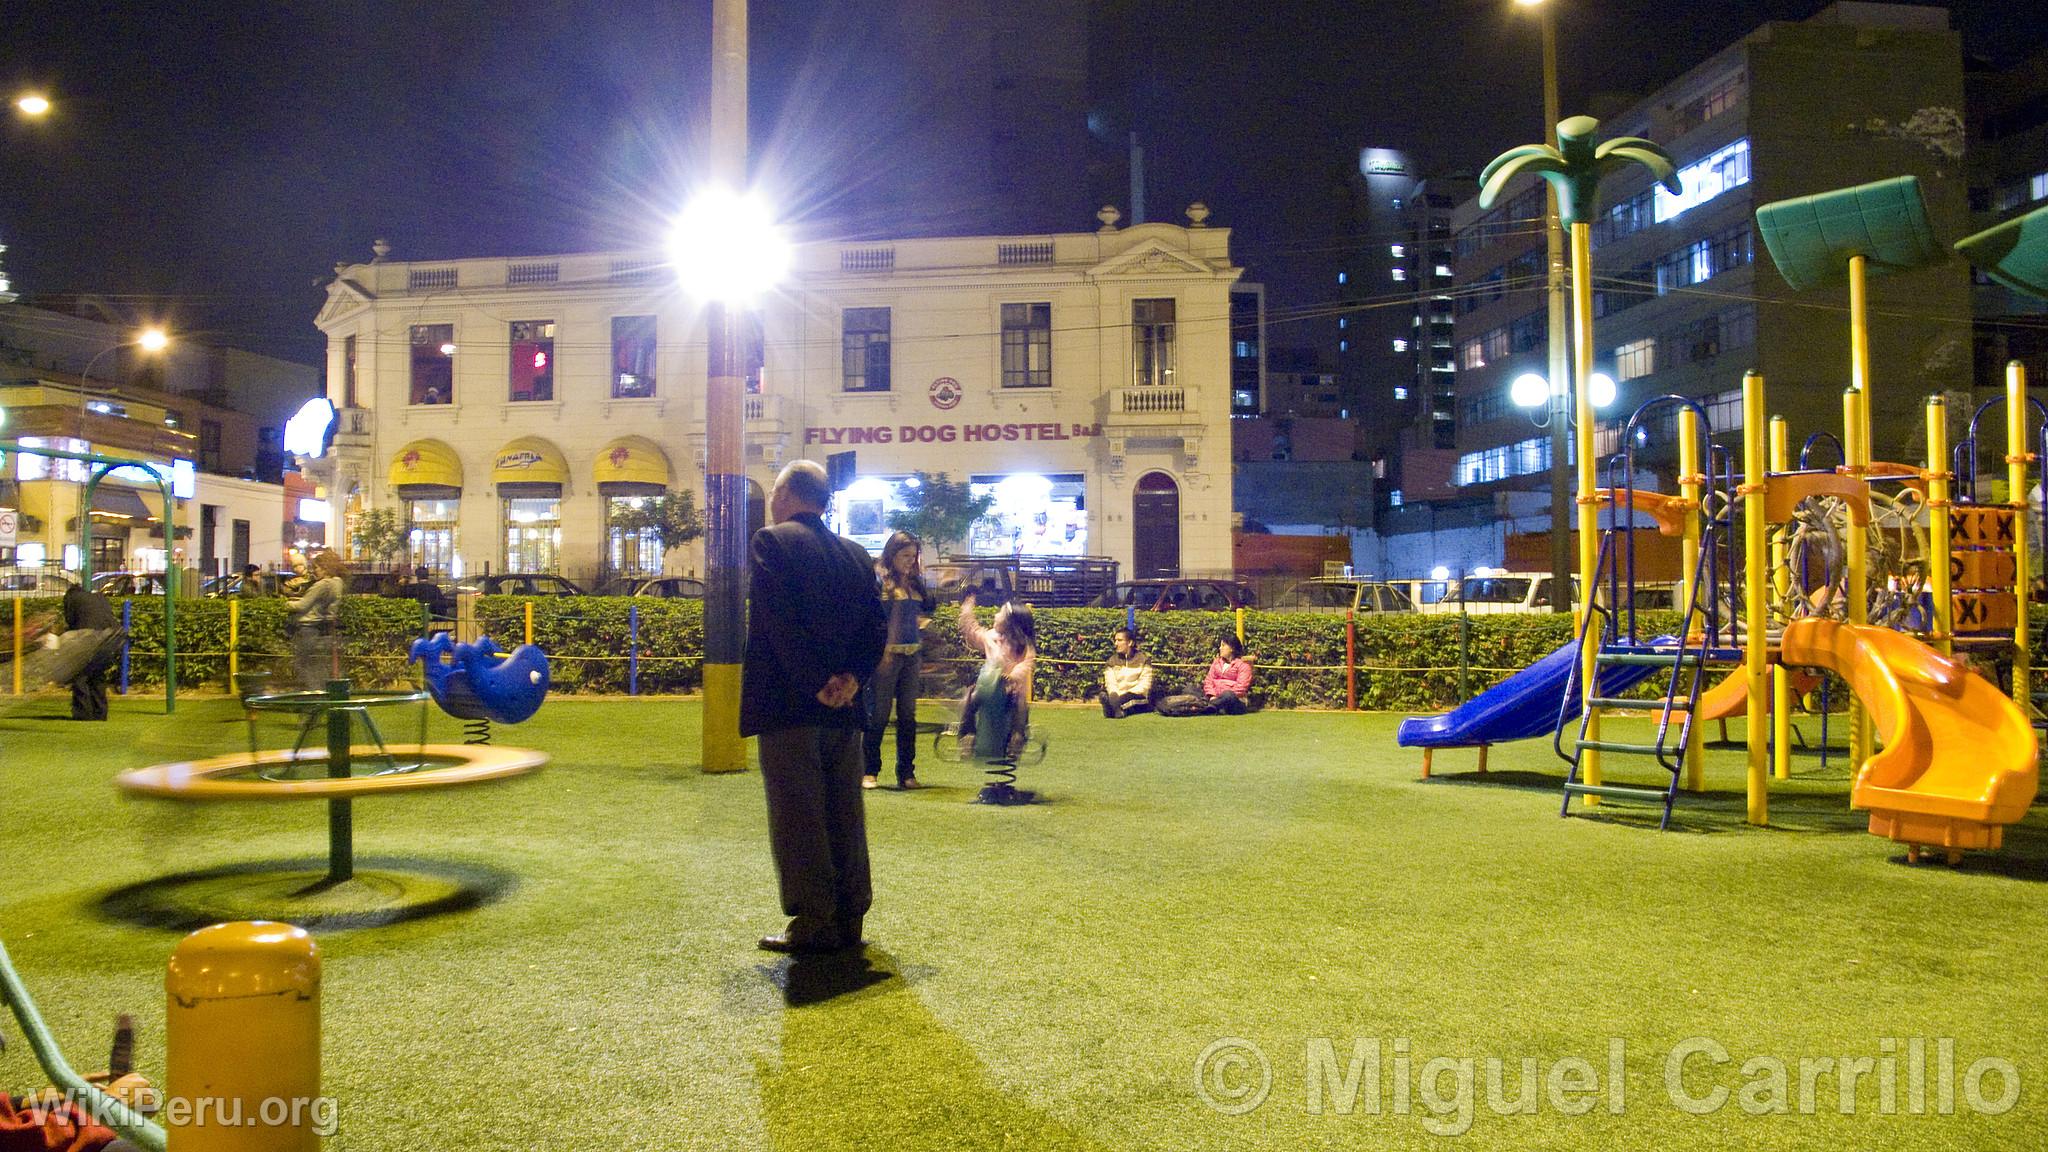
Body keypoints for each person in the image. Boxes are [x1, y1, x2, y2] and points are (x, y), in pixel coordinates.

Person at [741, 460, 888, 956]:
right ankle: (851, 913)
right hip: (845, 711)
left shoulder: (771, 542)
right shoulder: (855, 554)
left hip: (790, 707)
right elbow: (876, 629)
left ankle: (813, 920)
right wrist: (850, 680)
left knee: (798, 814)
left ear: (784, 494)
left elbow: (776, 624)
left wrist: (815, 683)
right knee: (845, 810)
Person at [863, 531, 936, 791]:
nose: (910, 561)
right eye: (905, 556)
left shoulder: (914, 583)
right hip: (887, 654)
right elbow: (873, 617)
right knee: (879, 713)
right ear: (892, 555)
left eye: (913, 556)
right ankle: (870, 770)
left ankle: (906, 773)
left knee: (908, 715)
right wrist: (878, 652)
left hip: (911, 655)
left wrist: (923, 576)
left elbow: (930, 606)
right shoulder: (881, 581)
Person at [954, 593, 1035, 761]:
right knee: (970, 697)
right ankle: (967, 734)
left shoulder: (1021, 645)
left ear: (1010, 624)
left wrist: (1012, 676)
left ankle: (1017, 737)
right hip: (988, 686)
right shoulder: (990, 637)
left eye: (1000, 614)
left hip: (1009, 689)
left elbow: (1026, 664)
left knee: (1020, 703)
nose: (995, 616)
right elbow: (971, 630)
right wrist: (967, 609)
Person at [59, 582, 120, 721]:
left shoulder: (71, 598)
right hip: (110, 637)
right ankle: (100, 713)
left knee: (80, 675)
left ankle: (83, 713)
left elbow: (71, 621)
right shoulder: (97, 597)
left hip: (88, 638)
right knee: (97, 676)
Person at [287, 550, 347, 688]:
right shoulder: (338, 582)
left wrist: (285, 603)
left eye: (316, 568)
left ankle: (313, 693)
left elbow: (302, 605)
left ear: (325, 568)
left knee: (303, 663)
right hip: (326, 626)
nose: (314, 571)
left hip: (308, 626)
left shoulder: (321, 585)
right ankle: (322, 692)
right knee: (320, 664)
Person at [1100, 626, 1154, 718]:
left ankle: (1112, 708)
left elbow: (1145, 685)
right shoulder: (1111, 661)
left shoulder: (1143, 660)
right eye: (1115, 640)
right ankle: (1116, 709)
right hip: (1118, 696)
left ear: (1130, 642)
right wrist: (1115, 695)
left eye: (1119, 640)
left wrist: (1126, 694)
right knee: (1113, 696)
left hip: (1138, 696)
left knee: (1131, 700)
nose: (1116, 643)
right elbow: (1110, 683)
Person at [1201, 634, 1254, 714]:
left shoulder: (1244, 665)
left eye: (1223, 645)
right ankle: (1213, 707)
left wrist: (1220, 697)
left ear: (1232, 648)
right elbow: (1209, 681)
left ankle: (1209, 707)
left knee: (1229, 694)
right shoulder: (1217, 662)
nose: (1220, 648)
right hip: (1214, 697)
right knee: (1190, 688)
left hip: (1234, 701)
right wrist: (1212, 695)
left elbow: (1241, 688)